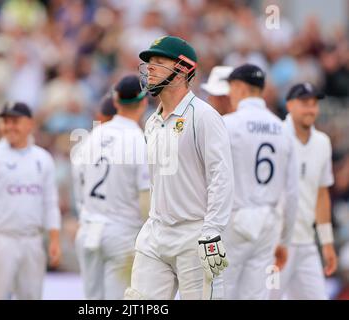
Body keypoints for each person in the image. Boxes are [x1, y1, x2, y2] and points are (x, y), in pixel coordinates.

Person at [125, 36, 234, 300]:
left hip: (194, 234)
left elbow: (221, 177)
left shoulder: (204, 116)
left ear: (183, 69)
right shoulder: (152, 122)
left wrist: (212, 231)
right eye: (148, 63)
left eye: (158, 62)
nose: (149, 68)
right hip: (156, 231)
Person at [0, 102, 61, 300]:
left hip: (32, 240)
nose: (9, 126)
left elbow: (50, 202)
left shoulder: (42, 159)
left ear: (30, 124)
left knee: (31, 296)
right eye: (5, 121)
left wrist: (54, 239)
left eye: (15, 121)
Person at [222, 64, 298, 299]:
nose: (229, 95)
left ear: (240, 88)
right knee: (256, 295)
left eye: (231, 89)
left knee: (220, 291)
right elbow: (293, 192)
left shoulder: (227, 123)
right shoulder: (283, 129)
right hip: (268, 222)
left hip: (232, 220)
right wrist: (284, 239)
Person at [74, 75, 150, 300]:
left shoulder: (92, 136)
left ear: (115, 102)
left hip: (88, 228)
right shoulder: (139, 140)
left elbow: (78, 187)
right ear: (144, 102)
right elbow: (145, 197)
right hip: (122, 232)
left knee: (92, 302)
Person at [270, 82, 338, 300]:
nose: (311, 109)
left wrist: (326, 243)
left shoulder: (322, 142)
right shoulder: (275, 136)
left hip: (307, 244)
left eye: (314, 104)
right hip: (275, 244)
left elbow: (321, 193)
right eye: (304, 103)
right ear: (289, 105)